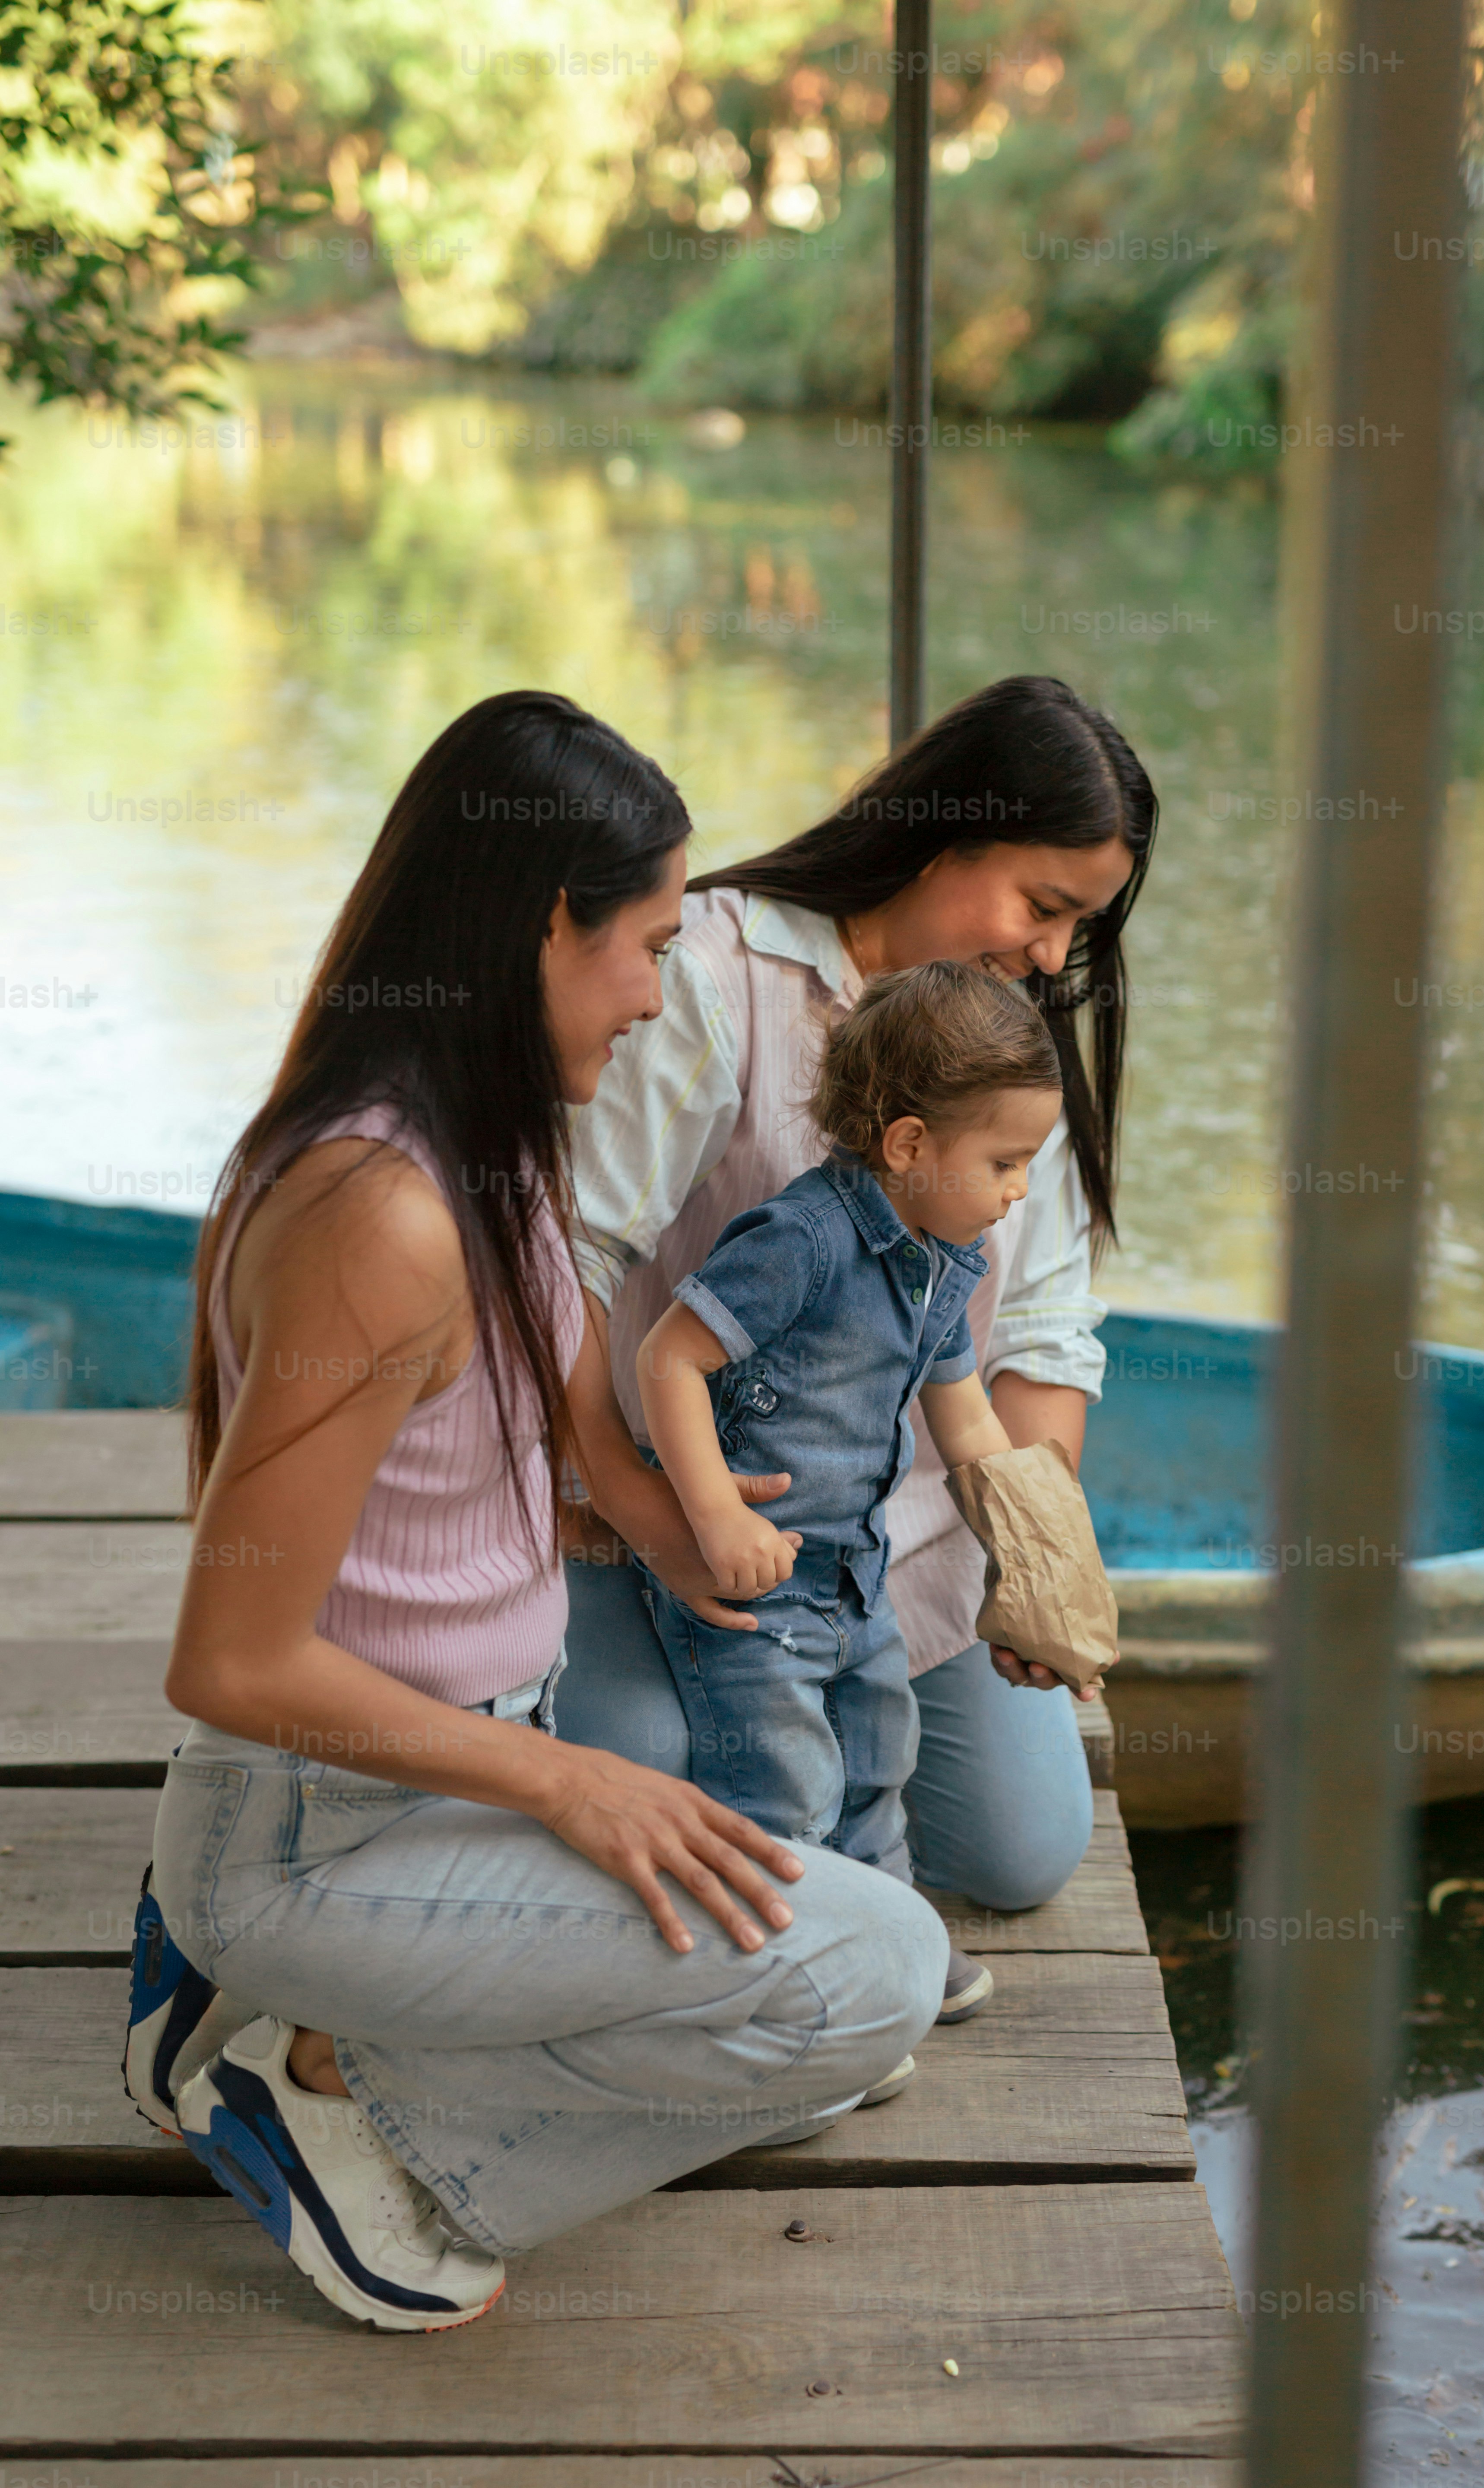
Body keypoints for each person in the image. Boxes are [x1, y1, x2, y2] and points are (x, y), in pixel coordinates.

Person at [127, 691, 948, 2336]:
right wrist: (569, 1784)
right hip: (322, 1833)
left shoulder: (489, 1140)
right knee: (874, 1980)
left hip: (432, 1777)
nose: (659, 995)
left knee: (749, 1846)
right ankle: (329, 2089)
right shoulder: (377, 1215)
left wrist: (667, 1522)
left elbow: (572, 1372)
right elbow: (227, 1660)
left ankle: (266, 2003)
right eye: (645, 943)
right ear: (538, 925)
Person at [560, 674, 1157, 2018]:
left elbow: (1046, 1326)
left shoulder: (1007, 1037)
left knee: (1019, 1848)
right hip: (658, 1501)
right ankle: (804, 1986)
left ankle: (858, 1936)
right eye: (1044, 906)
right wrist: (656, 1512)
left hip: (883, 1541)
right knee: (658, 1769)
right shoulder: (715, 978)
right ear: (942, 845)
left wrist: (1030, 1550)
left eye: (1083, 926)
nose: (1059, 958)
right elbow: (569, 1267)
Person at [635, 965, 1075, 2099]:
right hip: (756, 1580)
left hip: (853, 1574)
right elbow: (669, 1358)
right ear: (912, 1143)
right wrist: (715, 1511)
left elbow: (966, 1414)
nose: (1022, 1191)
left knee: (879, 1762)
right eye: (1006, 1164)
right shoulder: (803, 1239)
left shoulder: (947, 1261)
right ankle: (788, 1999)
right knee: (783, 1788)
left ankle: (887, 1961)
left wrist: (1038, 1553)